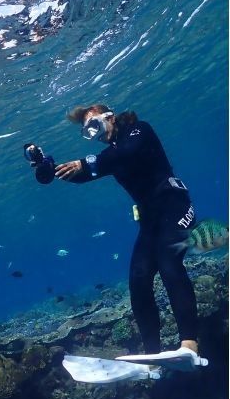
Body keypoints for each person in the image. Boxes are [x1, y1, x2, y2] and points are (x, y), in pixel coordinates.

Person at [54, 104, 200, 359]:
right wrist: (48, 168)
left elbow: (126, 152)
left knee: (169, 264)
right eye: (88, 133)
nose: (95, 135)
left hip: (176, 207)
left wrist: (85, 162)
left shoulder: (139, 131)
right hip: (150, 221)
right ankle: (152, 357)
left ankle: (189, 344)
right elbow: (80, 174)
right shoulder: (111, 156)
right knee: (138, 279)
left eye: (94, 126)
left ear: (110, 117)